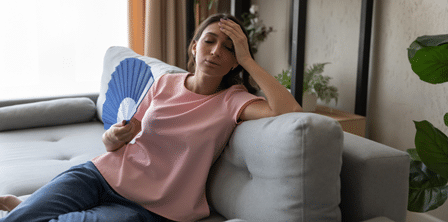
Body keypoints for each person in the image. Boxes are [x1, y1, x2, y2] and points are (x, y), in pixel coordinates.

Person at [0, 13, 302, 222]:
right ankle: (28, 207)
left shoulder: (233, 100)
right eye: (209, 41)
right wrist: (114, 136)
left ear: (235, 61)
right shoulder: (164, 83)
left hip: (149, 209)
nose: (215, 52)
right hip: (100, 175)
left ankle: (29, 206)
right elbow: (115, 141)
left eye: (228, 48)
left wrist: (249, 58)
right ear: (194, 47)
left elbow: (290, 112)